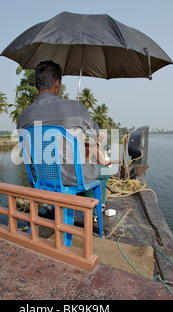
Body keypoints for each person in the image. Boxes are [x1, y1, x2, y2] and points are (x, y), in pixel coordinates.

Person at [17, 60, 111, 218]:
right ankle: (96, 212)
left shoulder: (24, 115)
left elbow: (26, 148)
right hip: (73, 176)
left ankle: (51, 205)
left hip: (39, 178)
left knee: (69, 170)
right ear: (57, 83)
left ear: (36, 84)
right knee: (105, 171)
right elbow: (94, 133)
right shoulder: (76, 107)